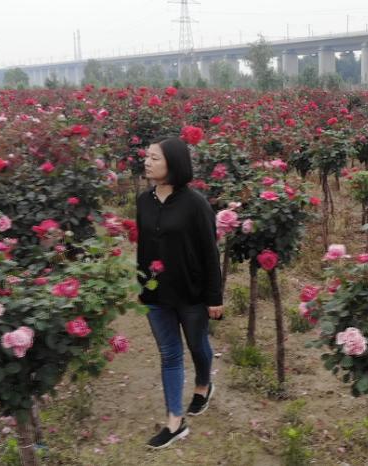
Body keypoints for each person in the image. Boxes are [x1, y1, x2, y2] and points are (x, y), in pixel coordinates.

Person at [135, 136, 224, 450]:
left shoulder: (196, 204)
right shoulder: (143, 201)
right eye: (146, 156)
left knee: (198, 344)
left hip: (191, 293)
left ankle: (203, 385)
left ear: (174, 163)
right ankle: (175, 421)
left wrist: (214, 297)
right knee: (170, 354)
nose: (147, 162)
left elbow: (209, 253)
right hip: (157, 295)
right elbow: (143, 248)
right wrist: (142, 286)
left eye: (155, 158)